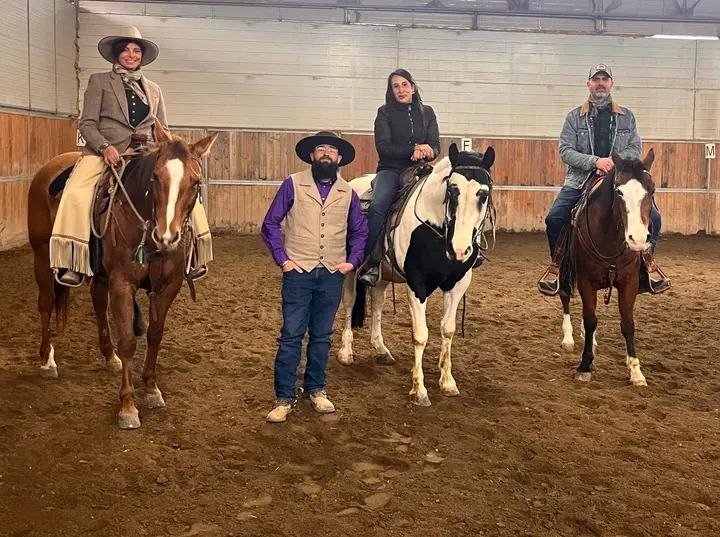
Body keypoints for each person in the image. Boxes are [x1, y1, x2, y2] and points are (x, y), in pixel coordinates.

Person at [50, 26, 212, 287]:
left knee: (184, 190)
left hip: (146, 153)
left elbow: (164, 129)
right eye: (126, 49)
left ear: (142, 56)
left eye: (136, 50)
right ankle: (72, 262)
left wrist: (168, 149)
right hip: (107, 153)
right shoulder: (99, 81)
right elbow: (87, 123)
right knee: (75, 194)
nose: (131, 54)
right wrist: (104, 147)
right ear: (117, 54)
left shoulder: (154, 89)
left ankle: (194, 256)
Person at [261, 131, 368, 423]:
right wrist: (282, 259)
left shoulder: (348, 193)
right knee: (291, 335)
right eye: (320, 149)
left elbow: (360, 231)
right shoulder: (293, 184)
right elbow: (270, 223)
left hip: (332, 273)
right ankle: (284, 397)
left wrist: (352, 261)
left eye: (331, 150)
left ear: (339, 158)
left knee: (322, 336)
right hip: (298, 273)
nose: (326, 154)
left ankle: (316, 389)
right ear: (311, 156)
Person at [537, 64, 671, 296]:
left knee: (655, 218)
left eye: (605, 79)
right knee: (555, 217)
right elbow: (565, 151)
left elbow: (635, 147)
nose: (600, 83)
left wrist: (612, 163)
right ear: (588, 83)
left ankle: (646, 265)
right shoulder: (573, 117)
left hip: (620, 177)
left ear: (611, 83)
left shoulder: (627, 117)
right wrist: (595, 162)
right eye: (596, 79)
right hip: (580, 178)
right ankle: (559, 268)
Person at [357, 69, 441, 287]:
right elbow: (383, 147)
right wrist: (411, 149)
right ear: (391, 90)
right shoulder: (384, 113)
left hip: (421, 169)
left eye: (404, 85)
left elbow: (436, 146)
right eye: (395, 86)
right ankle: (370, 261)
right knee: (378, 205)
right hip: (391, 169)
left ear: (412, 86)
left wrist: (427, 151)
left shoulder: (428, 112)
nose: (401, 89)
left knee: (448, 195)